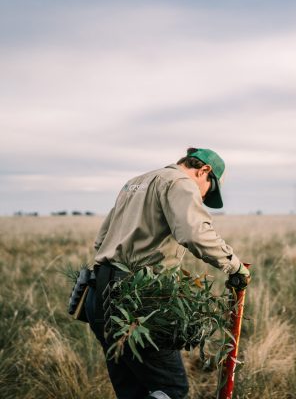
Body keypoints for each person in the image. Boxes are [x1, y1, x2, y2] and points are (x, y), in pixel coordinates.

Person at [85, 147, 251, 399]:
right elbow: (194, 232)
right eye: (210, 189)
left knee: (132, 390)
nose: (204, 197)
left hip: (97, 292)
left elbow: (101, 240)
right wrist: (234, 265)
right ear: (204, 170)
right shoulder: (180, 183)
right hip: (136, 299)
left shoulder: (135, 183)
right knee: (171, 389)